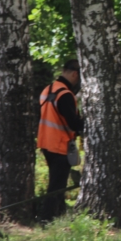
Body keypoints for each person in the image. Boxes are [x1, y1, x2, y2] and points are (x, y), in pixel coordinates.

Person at [36, 59, 84, 222]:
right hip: (59, 144)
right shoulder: (65, 95)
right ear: (74, 74)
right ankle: (47, 218)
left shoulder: (47, 90)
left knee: (58, 182)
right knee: (57, 185)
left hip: (45, 142)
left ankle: (60, 213)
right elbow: (73, 123)